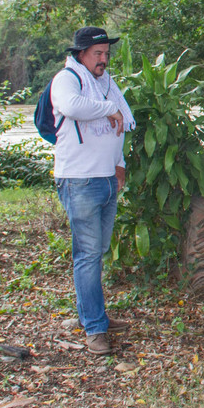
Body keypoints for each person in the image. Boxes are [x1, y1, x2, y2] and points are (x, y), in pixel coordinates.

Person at [50, 26, 136, 356]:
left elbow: (116, 129)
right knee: (87, 255)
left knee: (96, 253)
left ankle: (94, 314)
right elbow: (72, 107)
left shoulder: (105, 84)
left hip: (105, 178)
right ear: (81, 54)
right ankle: (95, 328)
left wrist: (120, 163)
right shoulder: (67, 79)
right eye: (97, 54)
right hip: (79, 179)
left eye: (106, 54)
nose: (104, 59)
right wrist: (108, 108)